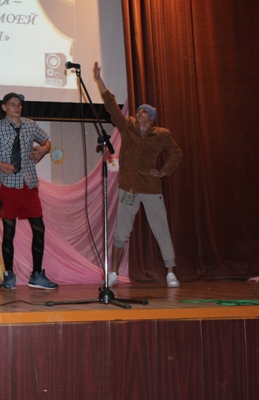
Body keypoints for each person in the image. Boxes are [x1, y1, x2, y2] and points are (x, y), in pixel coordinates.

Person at [92, 62, 183, 288]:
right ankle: (113, 273)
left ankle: (171, 273)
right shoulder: (128, 127)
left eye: (143, 111)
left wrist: (163, 172)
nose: (138, 113)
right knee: (121, 232)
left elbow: (176, 153)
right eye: (138, 110)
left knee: (161, 229)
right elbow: (112, 106)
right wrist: (99, 80)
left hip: (151, 188)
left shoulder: (161, 134)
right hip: (129, 188)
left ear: (150, 118)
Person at [0, 93, 58, 290]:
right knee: (9, 232)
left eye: (19, 104)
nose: (17, 107)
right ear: (4, 107)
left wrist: (44, 149)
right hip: (8, 186)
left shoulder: (30, 124)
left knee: (39, 229)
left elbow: (47, 142)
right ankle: (9, 275)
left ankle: (37, 274)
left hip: (29, 185)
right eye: (12, 104)